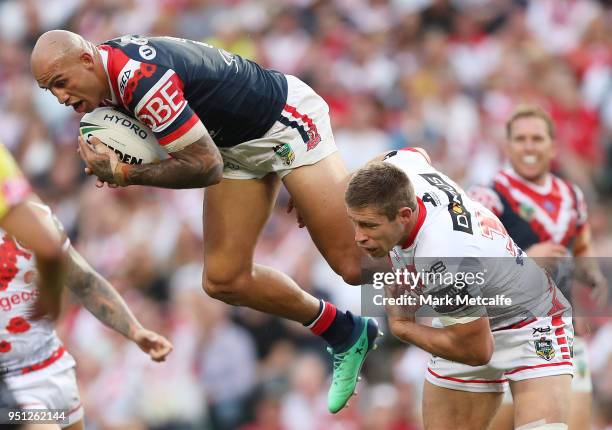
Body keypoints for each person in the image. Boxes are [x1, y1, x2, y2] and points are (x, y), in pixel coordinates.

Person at [30, 30, 380, 413]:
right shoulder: (109, 76)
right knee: (224, 279)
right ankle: (346, 330)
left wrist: (126, 175)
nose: (61, 98)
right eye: (51, 91)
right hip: (232, 145)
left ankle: (411, 183)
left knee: (353, 266)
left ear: (86, 59)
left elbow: (206, 168)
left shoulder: (141, 81)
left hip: (284, 124)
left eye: (61, 83)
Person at [345, 148, 574, 430]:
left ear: (404, 215)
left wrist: (403, 327)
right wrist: (322, 199)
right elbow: (413, 152)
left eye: (368, 225)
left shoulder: (443, 257)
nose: (358, 237)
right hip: (466, 317)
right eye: (353, 222)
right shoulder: (403, 174)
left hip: (529, 323)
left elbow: (477, 350)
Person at [0, 141, 174, 429]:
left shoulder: (37, 218)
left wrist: (135, 330)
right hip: (9, 381)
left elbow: (84, 282)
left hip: (53, 366)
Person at [468, 105, 608, 430]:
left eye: (536, 138)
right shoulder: (488, 196)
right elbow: (469, 264)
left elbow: (579, 241)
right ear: (508, 146)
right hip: (508, 333)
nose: (529, 147)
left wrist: (591, 273)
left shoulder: (571, 195)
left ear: (552, 146)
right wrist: (526, 258)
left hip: (561, 330)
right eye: (520, 139)